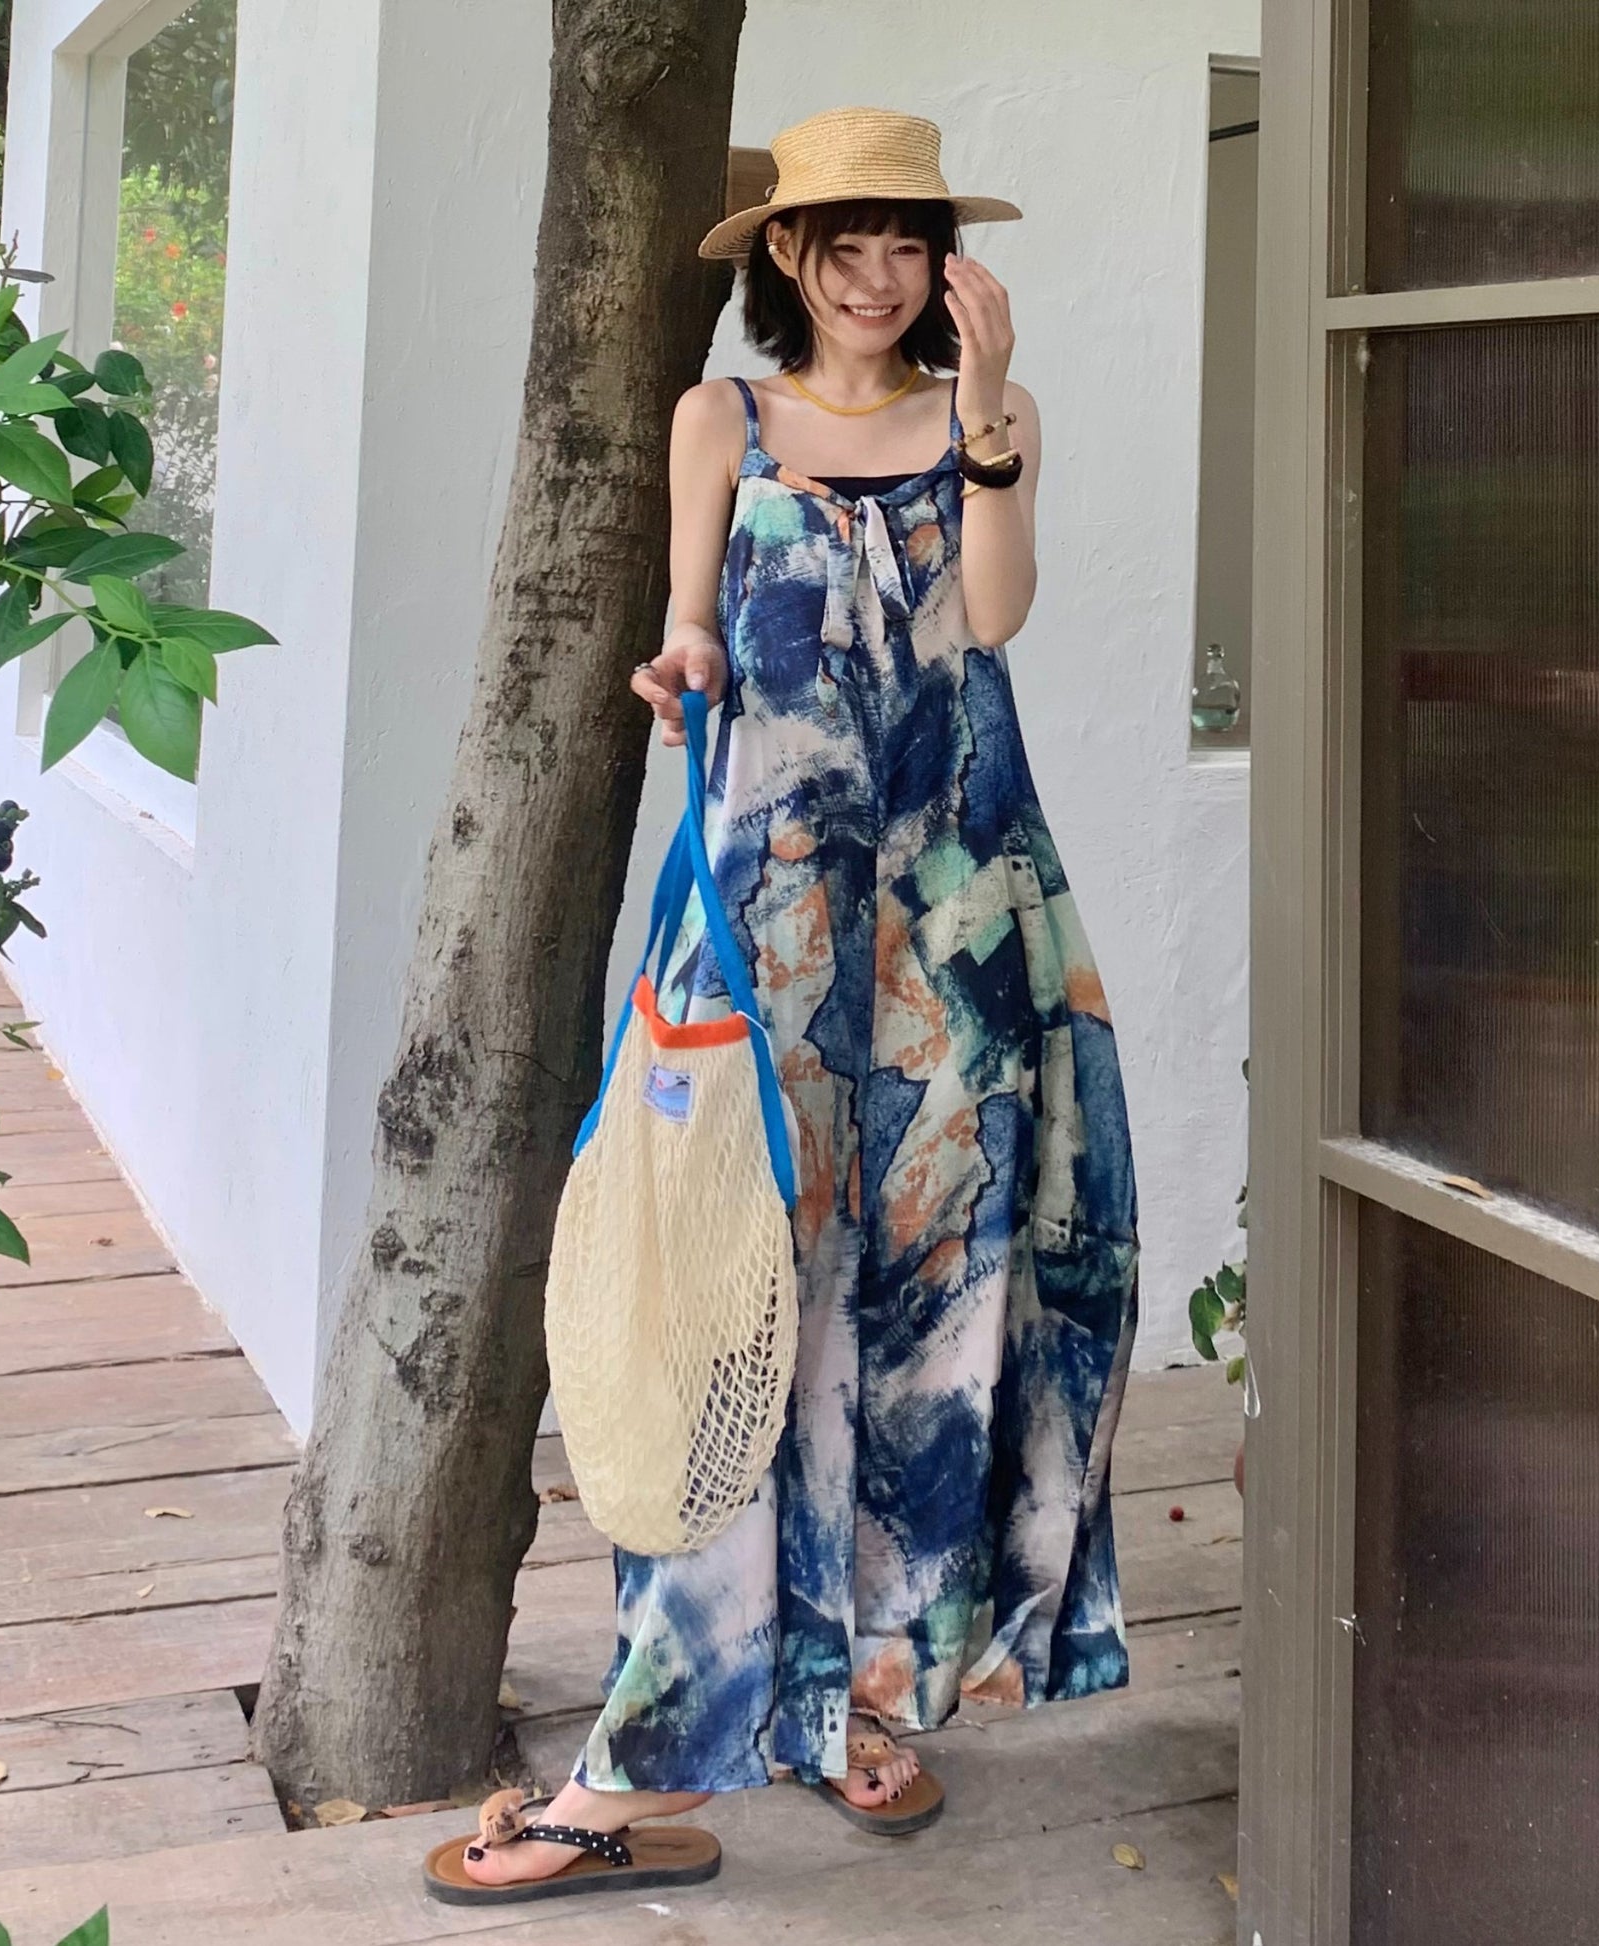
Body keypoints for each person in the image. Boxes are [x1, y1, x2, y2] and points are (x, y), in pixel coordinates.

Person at [426, 105, 1140, 1905]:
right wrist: (679, 661)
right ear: (787, 261)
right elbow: (693, 622)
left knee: (927, 1305)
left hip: (956, 924)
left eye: (907, 246)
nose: (876, 277)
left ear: (942, 268)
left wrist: (989, 413)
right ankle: (639, 1754)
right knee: (723, 1300)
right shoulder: (719, 421)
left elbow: (992, 619)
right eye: (843, 247)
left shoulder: (986, 423)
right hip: (764, 922)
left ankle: (854, 1697)